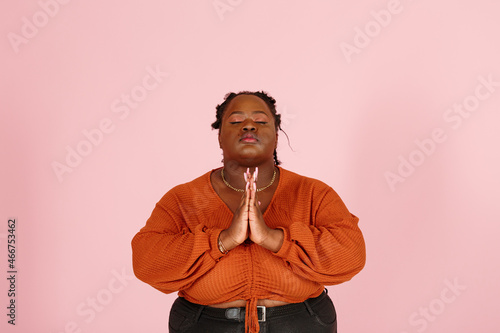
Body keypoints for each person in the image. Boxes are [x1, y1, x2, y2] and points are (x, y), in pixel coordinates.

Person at [131, 91, 366, 333]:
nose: (249, 126)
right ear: (220, 137)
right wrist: (224, 240)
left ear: (276, 136)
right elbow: (146, 261)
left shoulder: (313, 192)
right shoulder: (183, 198)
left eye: (261, 121)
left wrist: (273, 238)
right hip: (206, 325)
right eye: (235, 121)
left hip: (299, 323)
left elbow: (351, 254)